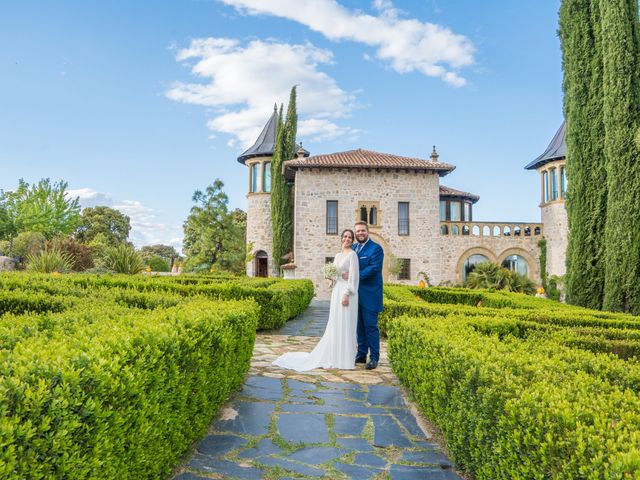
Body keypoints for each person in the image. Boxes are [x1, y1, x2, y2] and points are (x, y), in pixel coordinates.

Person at [272, 229, 359, 371]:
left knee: (346, 323)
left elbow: (354, 277)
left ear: (352, 240)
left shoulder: (353, 255)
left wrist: (347, 293)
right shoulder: (337, 255)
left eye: (350, 237)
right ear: (341, 238)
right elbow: (336, 274)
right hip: (337, 291)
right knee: (335, 323)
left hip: (347, 293)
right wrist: (332, 277)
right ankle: (334, 357)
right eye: (345, 236)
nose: (347, 239)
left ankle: (345, 360)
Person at [351, 221, 384, 370]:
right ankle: (362, 354)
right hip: (355, 295)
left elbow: (374, 269)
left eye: (363, 231)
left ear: (368, 231)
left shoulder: (376, 249)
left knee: (370, 326)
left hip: (370, 295)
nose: (360, 233)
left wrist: (354, 276)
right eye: (357, 231)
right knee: (359, 327)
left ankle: (374, 357)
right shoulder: (353, 248)